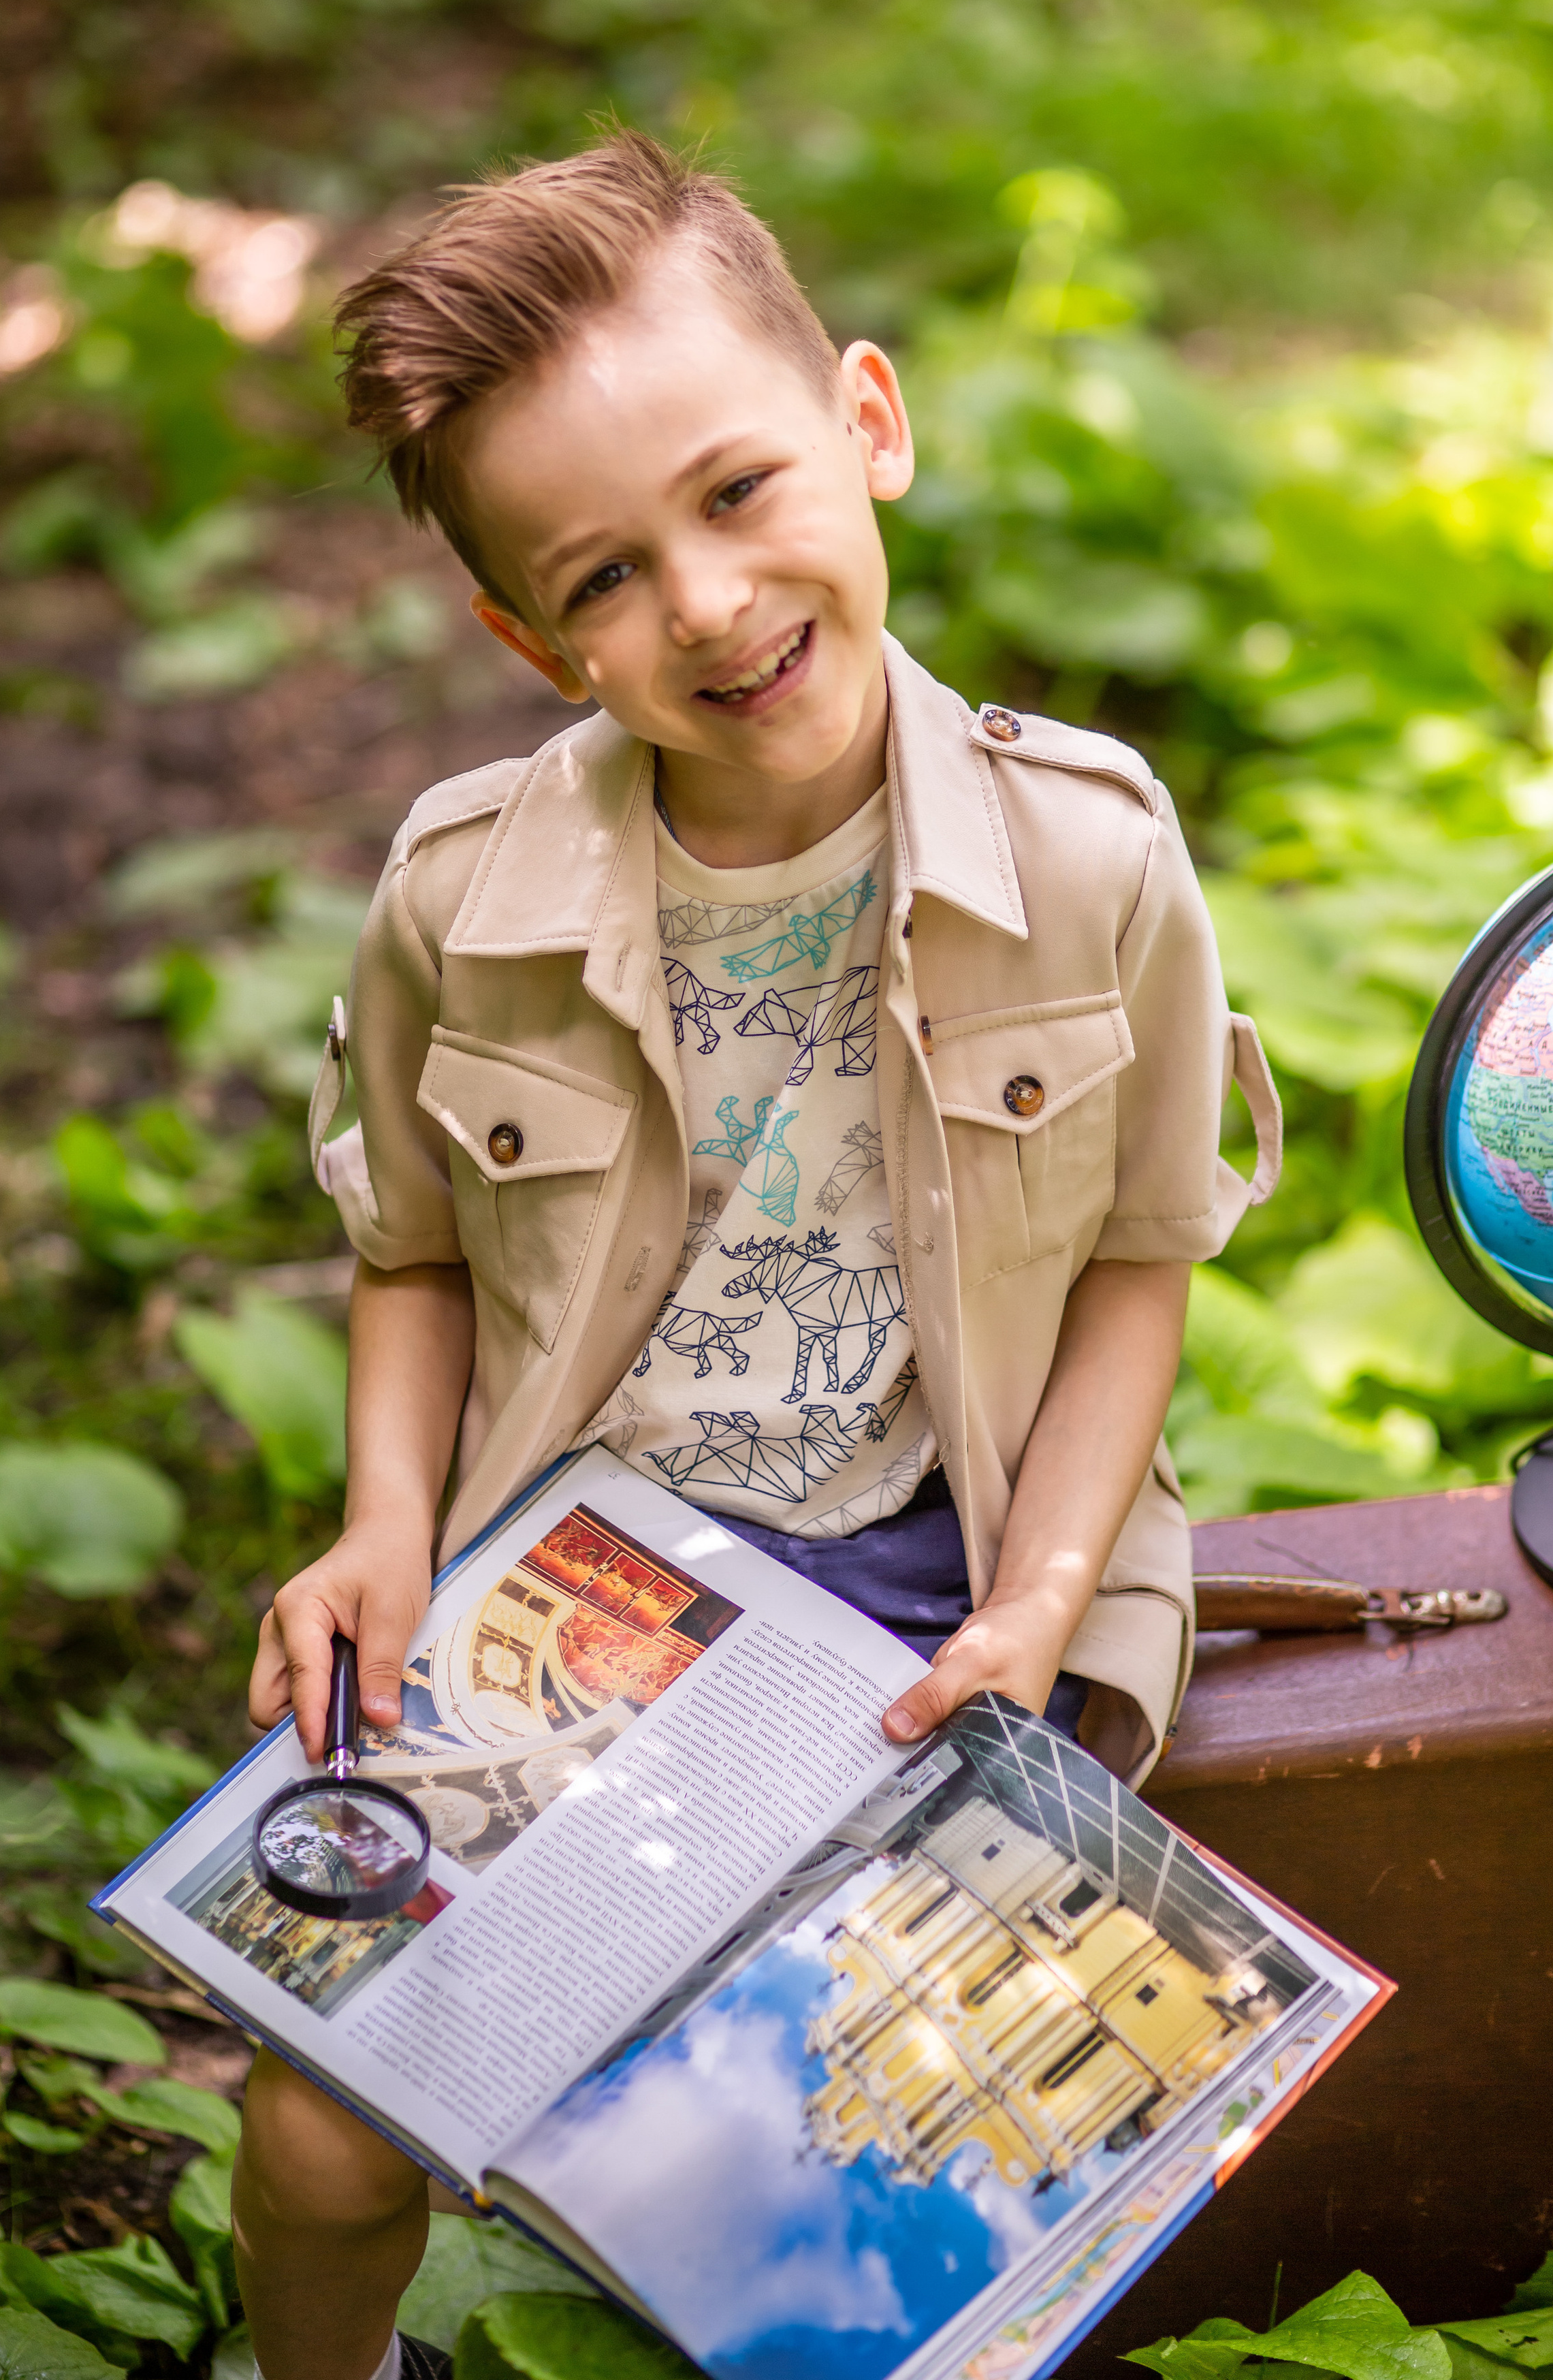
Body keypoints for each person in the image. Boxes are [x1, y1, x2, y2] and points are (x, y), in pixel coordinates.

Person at [230, 129, 1282, 2380]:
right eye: (605, 576)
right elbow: (412, 1256)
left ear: (868, 421)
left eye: (736, 492)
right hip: (577, 1593)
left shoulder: (1090, 857)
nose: (705, 603)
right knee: (316, 2135)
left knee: (871, 2205)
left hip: (928, 1577)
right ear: (527, 636)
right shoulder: (462, 901)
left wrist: (1040, 1601)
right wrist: (387, 1532)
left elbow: (1137, 1258)